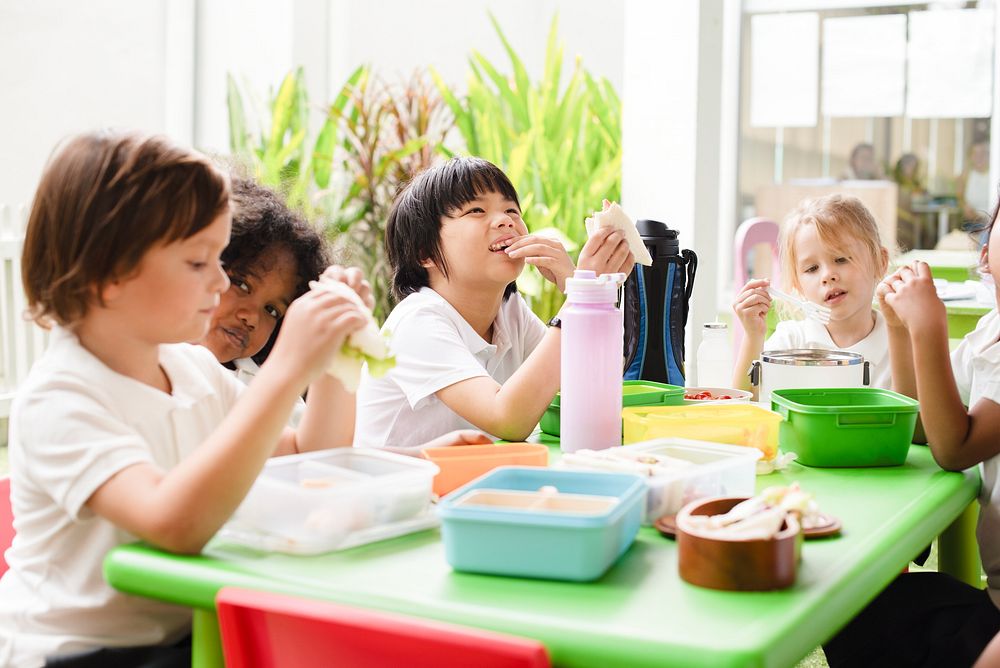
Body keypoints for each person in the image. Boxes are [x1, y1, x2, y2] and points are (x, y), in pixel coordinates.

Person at [0, 131, 475, 667]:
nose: (220, 279)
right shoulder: (61, 398)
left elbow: (314, 452)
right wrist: (288, 366)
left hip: (186, 631)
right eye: (199, 262)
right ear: (110, 275)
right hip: (76, 653)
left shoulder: (189, 368)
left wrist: (338, 354)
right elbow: (171, 522)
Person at [823, 198, 1000, 667]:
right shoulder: (990, 331)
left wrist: (929, 327)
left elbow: (955, 448)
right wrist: (902, 331)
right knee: (854, 607)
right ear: (985, 252)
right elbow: (924, 425)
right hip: (993, 600)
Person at [353, 157, 634, 449]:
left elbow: (587, 390)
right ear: (426, 253)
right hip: (398, 491)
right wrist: (581, 298)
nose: (506, 220)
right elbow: (506, 419)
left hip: (467, 484)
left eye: (511, 209)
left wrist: (582, 290)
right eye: (476, 210)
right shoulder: (416, 322)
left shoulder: (510, 312)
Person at [731, 194, 891, 391]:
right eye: (812, 269)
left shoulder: (898, 343)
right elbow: (746, 403)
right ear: (798, 286)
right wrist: (753, 335)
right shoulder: (791, 341)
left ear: (880, 262)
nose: (827, 275)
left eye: (841, 259)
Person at [893, 153, 929, 251]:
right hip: (904, 221)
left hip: (916, 218)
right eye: (910, 166)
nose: (913, 170)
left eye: (915, 167)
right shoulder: (896, 183)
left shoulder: (915, 182)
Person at [957, 139, 992, 227]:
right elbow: (960, 197)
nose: (979, 157)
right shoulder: (965, 175)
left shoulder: (994, 175)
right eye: (975, 154)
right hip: (973, 223)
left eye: (982, 153)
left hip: (993, 223)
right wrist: (965, 207)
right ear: (970, 156)